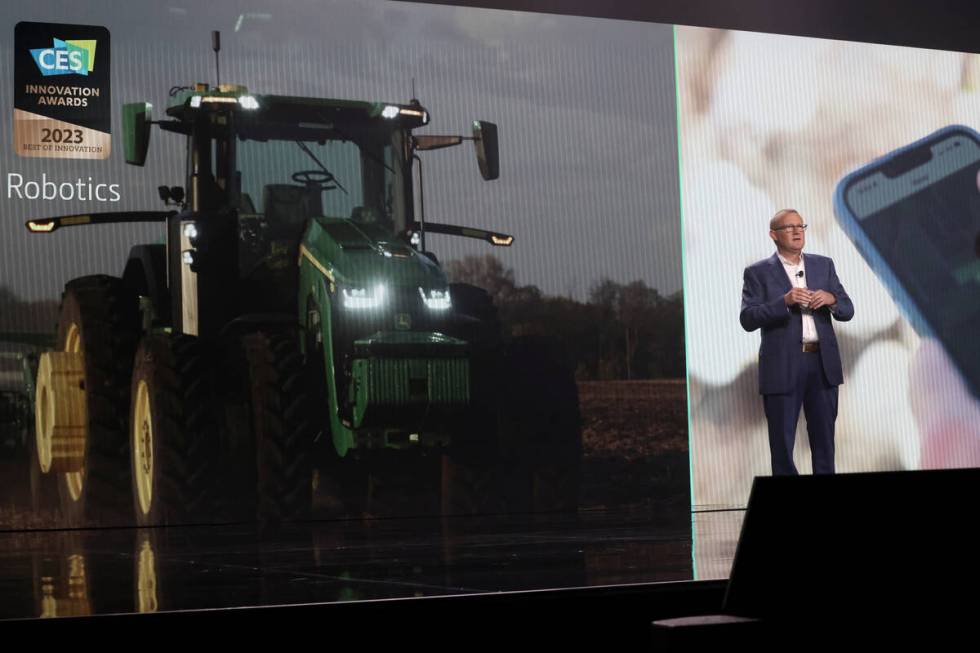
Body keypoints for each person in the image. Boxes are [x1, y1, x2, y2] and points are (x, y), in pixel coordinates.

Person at [740, 209, 854, 475]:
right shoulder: (757, 272)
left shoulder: (823, 265)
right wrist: (785, 302)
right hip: (782, 367)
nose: (796, 231)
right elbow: (748, 318)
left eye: (800, 225)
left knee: (825, 443)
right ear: (773, 235)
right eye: (788, 227)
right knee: (782, 446)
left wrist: (831, 299)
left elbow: (848, 310)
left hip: (822, 365)